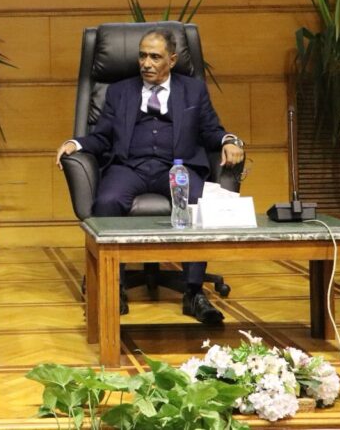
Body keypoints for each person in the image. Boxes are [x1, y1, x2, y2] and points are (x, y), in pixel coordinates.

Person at [55, 26, 245, 325]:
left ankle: (194, 292)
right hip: (130, 166)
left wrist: (229, 141)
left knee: (197, 202)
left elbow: (210, 129)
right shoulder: (119, 91)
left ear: (172, 60)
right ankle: (113, 287)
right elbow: (102, 136)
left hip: (178, 166)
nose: (146, 63)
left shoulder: (192, 90)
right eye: (142, 56)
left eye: (155, 57)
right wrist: (76, 144)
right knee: (107, 201)